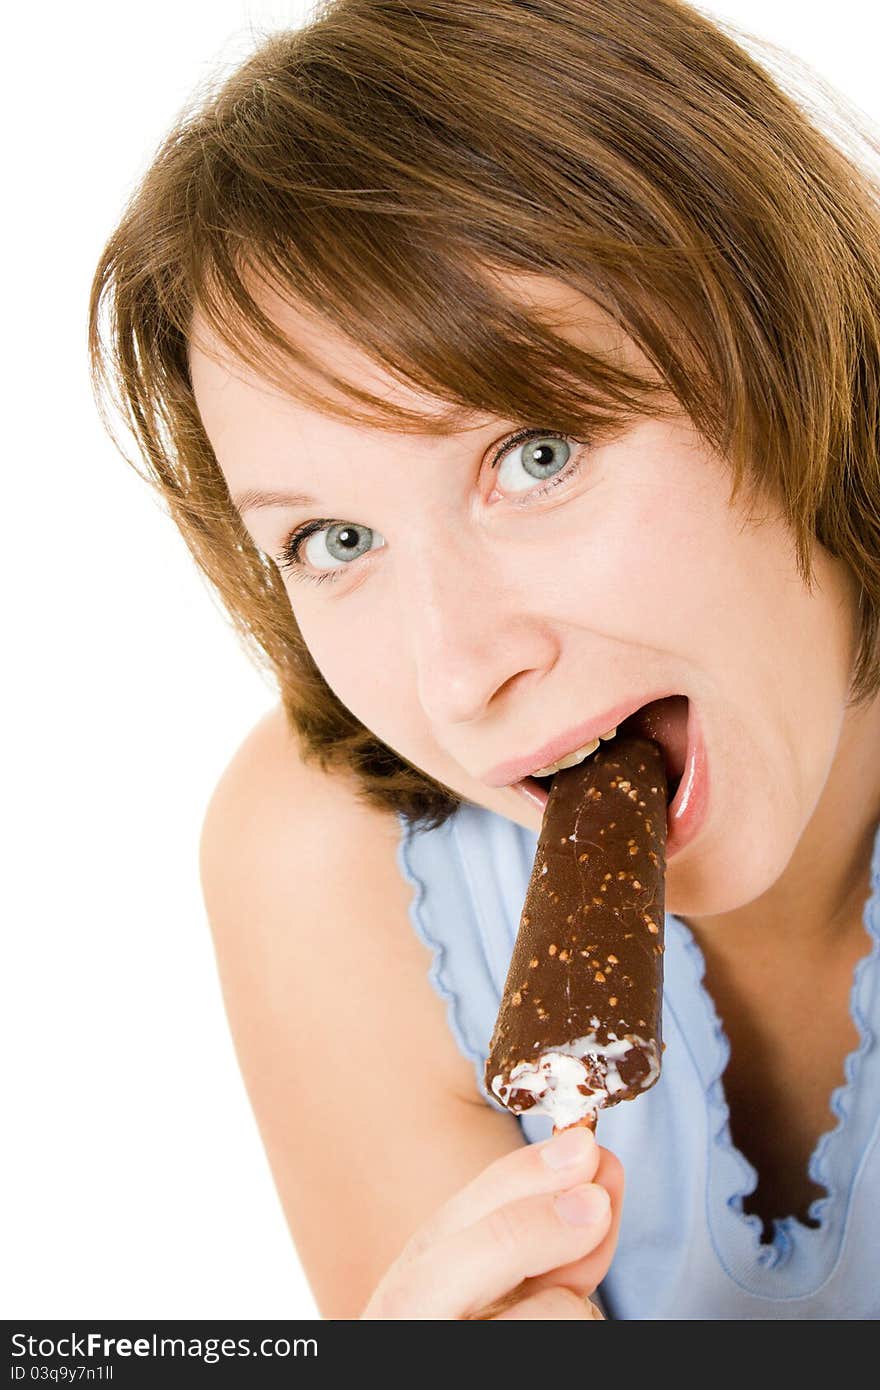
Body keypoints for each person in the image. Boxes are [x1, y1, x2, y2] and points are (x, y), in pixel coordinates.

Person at [87, 0, 880, 1319]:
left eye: (536, 455)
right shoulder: (328, 868)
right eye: (336, 538)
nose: (459, 672)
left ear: (789, 346)